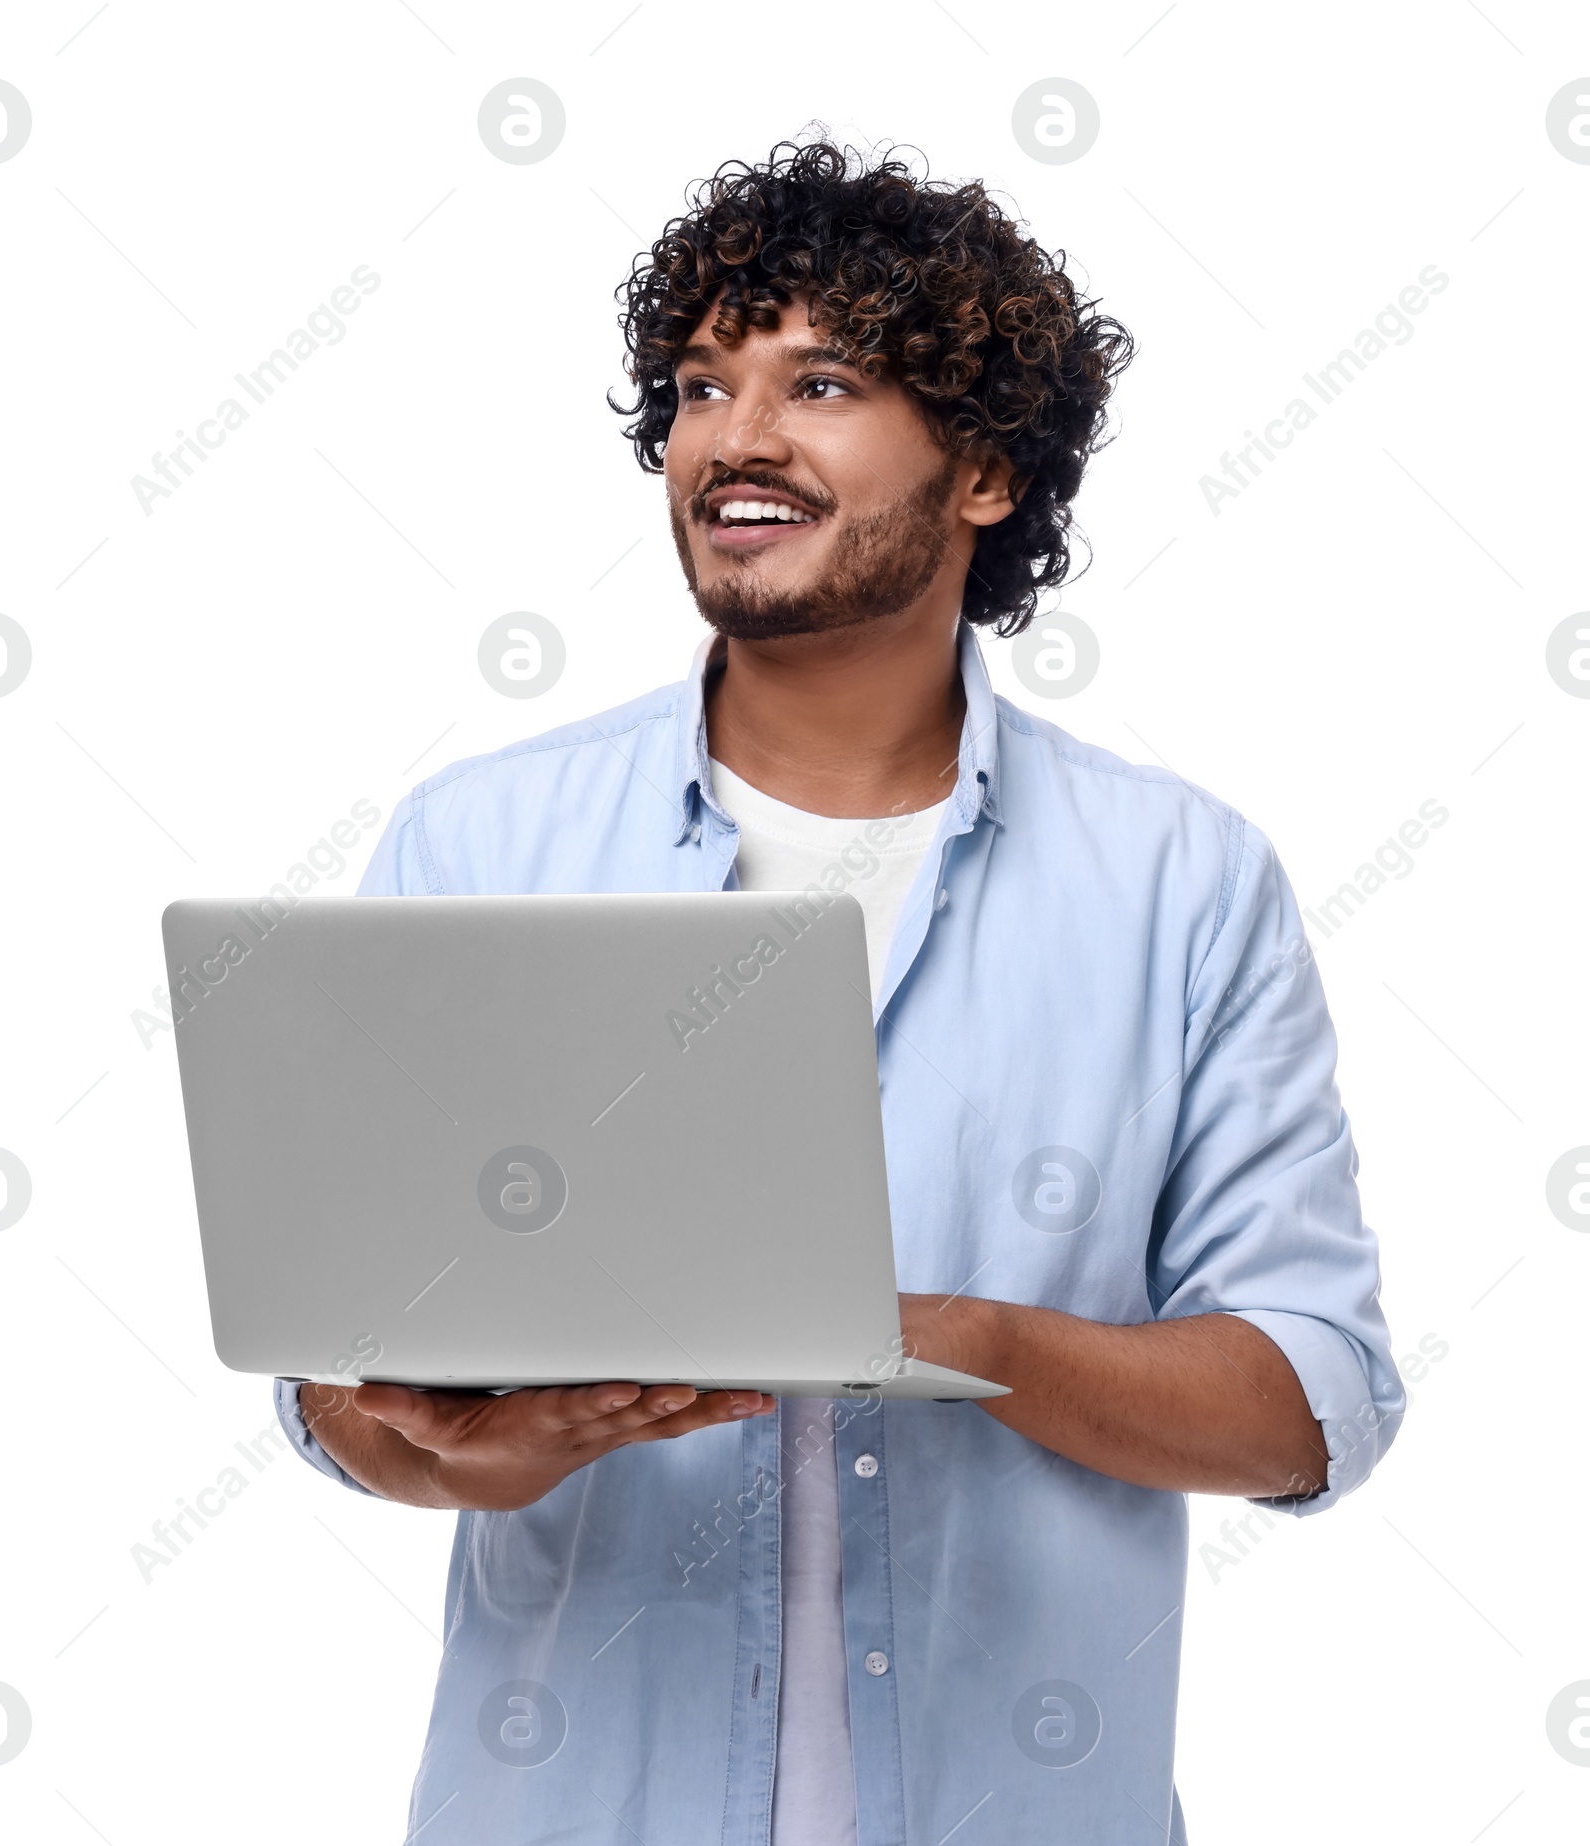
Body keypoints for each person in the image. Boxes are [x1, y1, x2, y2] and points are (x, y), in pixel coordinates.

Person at [277, 139, 1401, 1843]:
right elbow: (345, 1368)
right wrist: (447, 1455)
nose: (734, 437)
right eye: (700, 384)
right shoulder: (483, 837)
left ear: (987, 476)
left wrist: (955, 1342)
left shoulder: (1181, 880)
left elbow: (1307, 1402)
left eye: (822, 381)